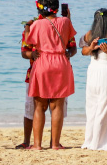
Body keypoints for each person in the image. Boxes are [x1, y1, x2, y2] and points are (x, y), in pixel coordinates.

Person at [26, 0, 77, 150]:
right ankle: (55, 144)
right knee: (57, 106)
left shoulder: (37, 24)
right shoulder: (66, 21)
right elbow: (70, 41)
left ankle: (37, 144)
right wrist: (67, 17)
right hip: (61, 63)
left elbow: (30, 41)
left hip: (43, 62)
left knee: (39, 106)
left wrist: (28, 27)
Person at [18, 13, 72, 149]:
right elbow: (25, 52)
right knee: (45, 107)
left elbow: (72, 46)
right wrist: (32, 54)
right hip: (50, 69)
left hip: (40, 70)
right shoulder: (63, 23)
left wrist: (69, 52)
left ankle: (42, 143)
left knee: (39, 107)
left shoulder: (33, 26)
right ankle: (30, 141)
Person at [80, 9, 107, 151]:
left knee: (92, 106)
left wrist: (91, 47)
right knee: (103, 106)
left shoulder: (90, 35)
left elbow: (83, 51)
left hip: (93, 71)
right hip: (105, 71)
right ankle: (99, 142)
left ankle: (90, 141)